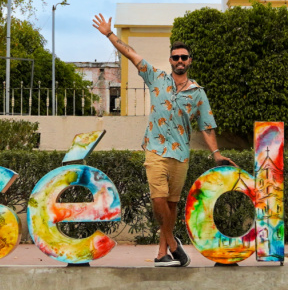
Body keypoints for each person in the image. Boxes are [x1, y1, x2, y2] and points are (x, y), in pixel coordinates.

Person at [93, 14, 234, 267]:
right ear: (170, 60)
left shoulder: (198, 93)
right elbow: (132, 55)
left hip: (181, 154)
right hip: (155, 150)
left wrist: (216, 154)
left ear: (189, 61)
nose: (180, 61)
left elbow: (207, 127)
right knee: (159, 200)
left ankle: (162, 254)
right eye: (176, 57)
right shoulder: (156, 78)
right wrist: (109, 34)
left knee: (172, 204)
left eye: (184, 57)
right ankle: (171, 242)